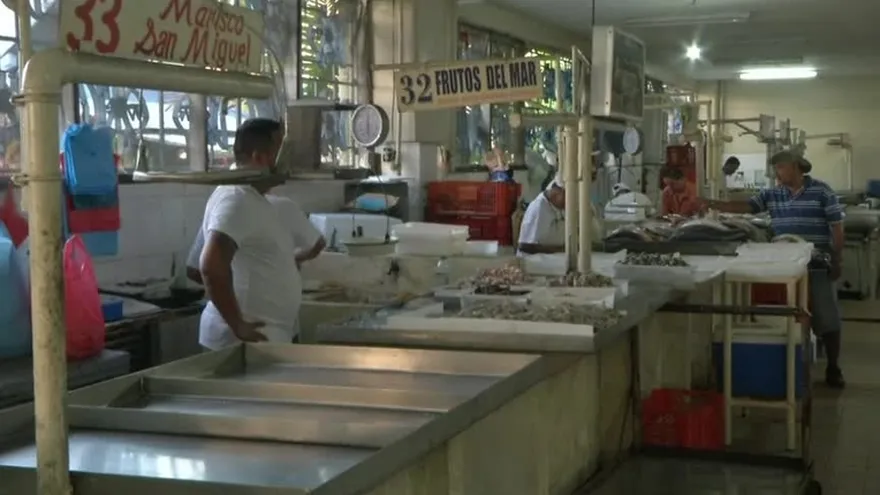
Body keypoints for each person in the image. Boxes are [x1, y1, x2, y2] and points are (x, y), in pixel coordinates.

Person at [702, 150, 846, 388]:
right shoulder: (773, 193)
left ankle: (833, 367)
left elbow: (837, 227)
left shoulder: (822, 191)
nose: (776, 173)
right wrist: (713, 204)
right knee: (787, 315)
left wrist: (837, 259)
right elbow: (748, 207)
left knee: (826, 315)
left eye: (780, 167)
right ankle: (792, 362)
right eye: (776, 168)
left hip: (817, 261)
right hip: (785, 264)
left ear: (796, 167)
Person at [195, 118, 317, 350]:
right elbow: (210, 265)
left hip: (261, 338)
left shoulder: (252, 198)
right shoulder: (237, 199)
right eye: (282, 153)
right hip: (243, 342)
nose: (288, 164)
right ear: (259, 158)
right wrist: (237, 324)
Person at [518, 174, 565, 254]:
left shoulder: (558, 206)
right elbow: (525, 246)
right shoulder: (539, 208)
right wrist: (561, 250)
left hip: (554, 259)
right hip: (534, 261)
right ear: (556, 193)